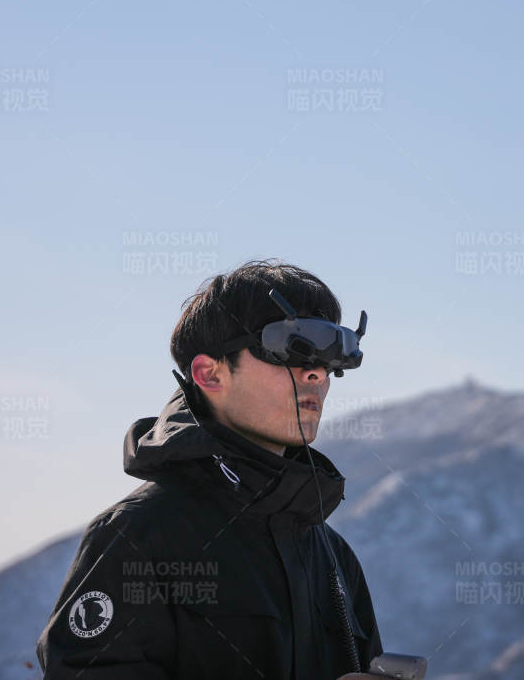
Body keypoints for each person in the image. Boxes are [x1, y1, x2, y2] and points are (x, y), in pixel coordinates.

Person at [36, 259, 384, 679]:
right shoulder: (139, 537)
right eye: (292, 347)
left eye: (329, 359)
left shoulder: (333, 556)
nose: (316, 374)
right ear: (209, 373)